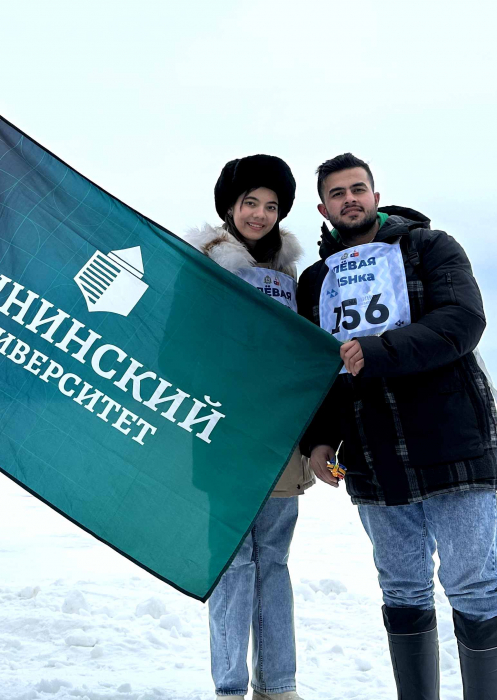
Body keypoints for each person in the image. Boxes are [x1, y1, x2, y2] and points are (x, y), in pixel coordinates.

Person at [296, 153, 497, 700]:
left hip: (451, 442)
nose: (350, 199)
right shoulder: (317, 280)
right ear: (324, 208)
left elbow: (463, 322)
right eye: (338, 193)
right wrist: (320, 438)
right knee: (402, 589)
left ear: (375, 194)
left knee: (476, 587)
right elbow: (317, 369)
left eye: (358, 189)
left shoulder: (429, 248)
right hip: (372, 454)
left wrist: (380, 350)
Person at [183, 155, 313, 700]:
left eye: (272, 206)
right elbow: (177, 348)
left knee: (274, 562)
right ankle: (231, 688)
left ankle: (278, 685)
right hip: (224, 434)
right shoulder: (202, 267)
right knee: (234, 566)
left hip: (281, 434)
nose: (260, 214)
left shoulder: (292, 275)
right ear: (229, 207)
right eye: (250, 203)